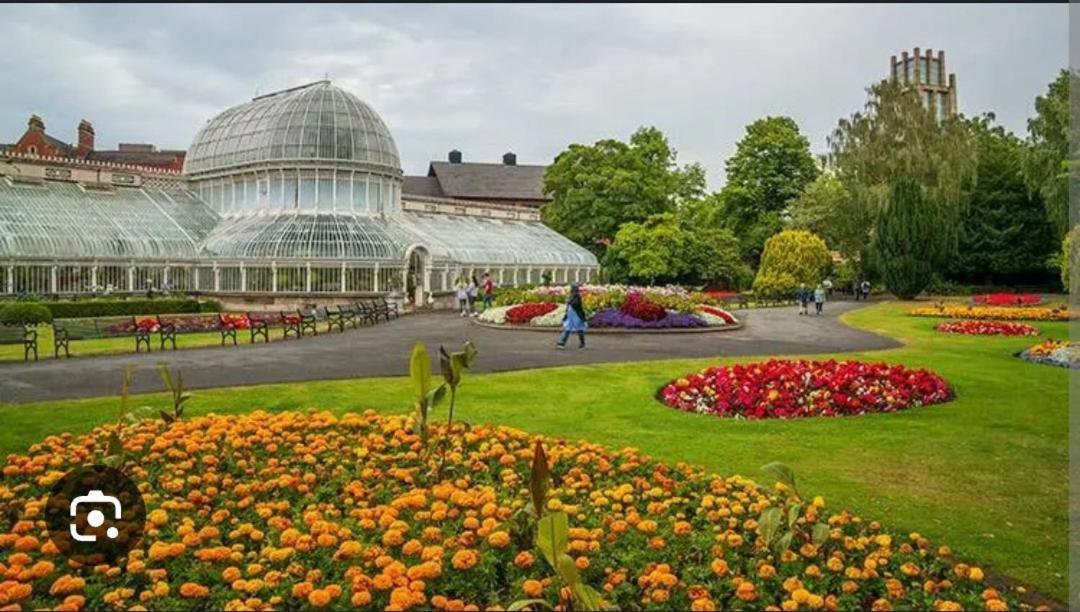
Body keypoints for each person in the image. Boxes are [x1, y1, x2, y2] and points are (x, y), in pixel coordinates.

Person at [557, 284, 588, 349]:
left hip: (576, 315)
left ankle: (582, 343)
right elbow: (568, 306)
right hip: (570, 315)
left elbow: (576, 304)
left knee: (579, 329)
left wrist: (569, 302)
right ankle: (562, 342)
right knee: (567, 328)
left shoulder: (577, 296)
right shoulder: (571, 296)